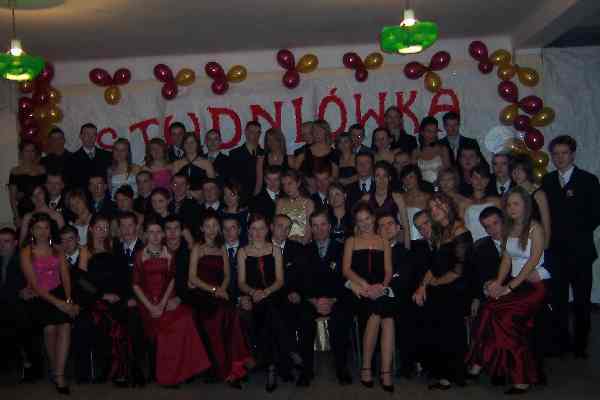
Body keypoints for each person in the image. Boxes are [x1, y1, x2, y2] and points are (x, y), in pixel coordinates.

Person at [466, 187, 550, 394]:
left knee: (505, 321)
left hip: (533, 286)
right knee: (488, 310)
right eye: (509, 204)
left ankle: (521, 379)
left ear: (526, 205)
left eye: (516, 204)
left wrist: (510, 287)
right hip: (516, 283)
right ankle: (481, 362)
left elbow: (532, 262)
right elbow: (506, 259)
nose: (512, 208)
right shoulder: (510, 228)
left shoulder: (535, 228)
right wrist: (498, 283)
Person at [133, 218, 211, 387]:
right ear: (145, 235)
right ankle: (167, 373)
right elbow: (136, 285)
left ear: (162, 234)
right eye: (151, 232)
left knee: (185, 318)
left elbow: (172, 280)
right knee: (170, 324)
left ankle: (184, 371)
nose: (155, 236)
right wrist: (152, 307)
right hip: (147, 301)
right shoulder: (140, 255)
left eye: (158, 232)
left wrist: (163, 304)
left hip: (166, 298)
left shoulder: (169, 253)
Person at [541, 135, 600, 358]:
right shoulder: (548, 181)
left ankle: (581, 344)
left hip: (580, 252)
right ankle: (561, 342)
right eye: (555, 154)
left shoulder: (588, 180)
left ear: (573, 154)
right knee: (558, 300)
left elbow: (596, 214)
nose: (560, 158)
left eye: (564, 153)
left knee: (581, 300)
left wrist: (573, 232)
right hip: (555, 253)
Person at [412, 193, 473, 390]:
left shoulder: (460, 230)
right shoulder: (440, 231)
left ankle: (452, 373)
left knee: (443, 313)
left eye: (438, 206)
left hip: (459, 286)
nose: (435, 211)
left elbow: (459, 271)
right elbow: (434, 266)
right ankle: (441, 370)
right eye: (432, 208)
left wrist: (436, 283)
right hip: (443, 285)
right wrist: (423, 286)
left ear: (448, 206)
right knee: (425, 310)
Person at [188, 212, 253, 387]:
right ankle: (224, 368)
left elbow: (227, 275)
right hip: (202, 294)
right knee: (218, 318)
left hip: (220, 293)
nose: (211, 230)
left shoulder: (222, 247)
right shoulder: (197, 248)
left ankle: (237, 366)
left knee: (232, 315)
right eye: (207, 226)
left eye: (214, 226)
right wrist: (214, 290)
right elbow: (192, 277)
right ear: (202, 228)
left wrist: (222, 289)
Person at [20, 213, 79, 394]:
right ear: (32, 230)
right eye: (38, 228)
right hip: (40, 296)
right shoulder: (26, 252)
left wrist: (68, 300)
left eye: (46, 228)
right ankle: (56, 370)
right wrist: (60, 304)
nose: (42, 232)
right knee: (50, 328)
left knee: (65, 326)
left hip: (59, 292)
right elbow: (35, 285)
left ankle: (59, 375)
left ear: (50, 230)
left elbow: (65, 277)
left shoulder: (57, 250)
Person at [72, 215, 131, 386]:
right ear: (91, 229)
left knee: (122, 315)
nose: (102, 232)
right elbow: (82, 281)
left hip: (115, 296)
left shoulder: (114, 246)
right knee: (105, 320)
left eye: (106, 228)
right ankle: (108, 370)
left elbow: (123, 275)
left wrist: (120, 295)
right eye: (99, 228)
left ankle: (120, 370)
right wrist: (102, 296)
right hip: (94, 298)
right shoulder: (85, 250)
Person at [297, 210, 353, 387]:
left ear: (329, 226)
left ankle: (341, 368)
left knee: (340, 320)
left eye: (322, 224)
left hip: (336, 299)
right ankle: (306, 370)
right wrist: (314, 301)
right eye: (315, 225)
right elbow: (302, 281)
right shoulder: (304, 251)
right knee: (304, 319)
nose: (319, 229)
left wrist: (332, 300)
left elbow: (346, 279)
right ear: (311, 228)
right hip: (312, 300)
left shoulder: (342, 248)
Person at [237, 213, 293, 392]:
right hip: (255, 296)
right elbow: (241, 282)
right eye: (254, 229)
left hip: (274, 293)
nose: (258, 232)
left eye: (261, 228)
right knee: (268, 312)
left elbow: (280, 280)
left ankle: (272, 366)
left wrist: (266, 292)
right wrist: (254, 292)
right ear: (248, 231)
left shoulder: (275, 250)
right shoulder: (243, 252)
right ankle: (284, 357)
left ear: (267, 229)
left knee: (270, 310)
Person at [343, 202, 395, 392]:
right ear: (356, 222)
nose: (364, 223)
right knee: (379, 313)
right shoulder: (351, 241)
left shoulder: (384, 241)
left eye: (367, 218)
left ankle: (383, 370)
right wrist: (365, 285)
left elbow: (388, 270)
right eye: (360, 220)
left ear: (373, 218)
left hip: (380, 290)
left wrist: (382, 287)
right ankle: (369, 367)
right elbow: (346, 270)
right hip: (360, 291)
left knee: (387, 317)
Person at [0, 227, 43, 383]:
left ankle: (30, 365)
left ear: (15, 243)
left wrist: (27, 290)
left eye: (6, 242)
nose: (1, 245)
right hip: (6, 304)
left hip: (20, 306)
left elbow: (34, 285)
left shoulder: (24, 260)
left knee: (21, 315)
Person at [465, 206, 504, 320]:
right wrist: (476, 298)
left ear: (504, 221)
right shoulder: (480, 248)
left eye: (495, 223)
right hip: (492, 298)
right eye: (487, 227)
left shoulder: (521, 240)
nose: (493, 229)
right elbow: (477, 277)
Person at [361, 161, 411, 249]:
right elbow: (360, 225)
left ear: (389, 178)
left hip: (393, 239)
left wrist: (407, 250)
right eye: (378, 176)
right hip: (373, 242)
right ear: (373, 178)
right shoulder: (366, 199)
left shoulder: (397, 197)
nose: (381, 179)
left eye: (385, 176)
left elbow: (406, 227)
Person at [511, 155, 551, 248]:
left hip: (535, 240)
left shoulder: (538, 194)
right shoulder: (511, 193)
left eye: (520, 169)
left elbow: (546, 222)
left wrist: (545, 245)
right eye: (513, 170)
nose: (516, 173)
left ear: (528, 171)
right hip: (515, 240)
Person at [8, 140, 46, 226]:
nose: (30, 154)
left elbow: (46, 191)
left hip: (41, 208)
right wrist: (16, 217)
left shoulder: (42, 169)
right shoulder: (15, 171)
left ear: (35, 153)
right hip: (23, 209)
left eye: (32, 151)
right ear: (21, 153)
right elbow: (12, 198)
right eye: (27, 151)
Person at [67, 123, 112, 190]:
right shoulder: (72, 159)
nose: (90, 137)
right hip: (82, 195)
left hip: (103, 195)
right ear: (81, 136)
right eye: (87, 134)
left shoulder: (107, 156)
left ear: (96, 137)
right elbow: (71, 183)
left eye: (93, 135)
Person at [276, 169, 315, 244]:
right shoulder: (280, 202)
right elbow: (276, 228)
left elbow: (309, 230)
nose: (286, 188)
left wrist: (302, 243)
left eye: (290, 183)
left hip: (303, 244)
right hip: (283, 244)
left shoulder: (308, 203)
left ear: (298, 183)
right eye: (284, 184)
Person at [464, 165, 501, 242]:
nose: (479, 181)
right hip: (475, 243)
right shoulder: (464, 203)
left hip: (496, 240)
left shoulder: (496, 201)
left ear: (487, 181)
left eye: (483, 178)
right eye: (475, 178)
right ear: (470, 180)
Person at [296, 119, 338, 184]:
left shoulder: (333, 152)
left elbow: (335, 176)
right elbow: (295, 172)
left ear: (326, 132)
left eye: (320, 130)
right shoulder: (305, 151)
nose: (317, 133)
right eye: (315, 131)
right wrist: (307, 180)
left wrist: (323, 183)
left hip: (327, 186)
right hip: (308, 186)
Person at [229, 121, 265, 197]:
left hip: (261, 196)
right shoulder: (234, 154)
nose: (255, 135)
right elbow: (231, 178)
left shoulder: (265, 154)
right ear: (246, 132)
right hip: (241, 196)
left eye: (258, 132)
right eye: (252, 132)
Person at [415, 116, 451, 185]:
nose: (432, 134)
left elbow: (448, 172)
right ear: (422, 132)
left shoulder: (443, 149)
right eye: (429, 131)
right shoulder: (416, 152)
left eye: (434, 131)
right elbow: (413, 174)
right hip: (422, 187)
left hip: (441, 186)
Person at [400, 165, 432, 241]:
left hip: (423, 239)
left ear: (418, 178)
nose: (407, 181)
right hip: (403, 240)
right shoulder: (399, 198)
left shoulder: (427, 198)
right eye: (405, 178)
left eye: (411, 177)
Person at [255, 128, 289, 195]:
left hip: (284, 195)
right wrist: (254, 198)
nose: (272, 142)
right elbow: (259, 183)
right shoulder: (261, 159)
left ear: (280, 141)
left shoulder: (289, 159)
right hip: (266, 195)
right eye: (269, 140)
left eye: (275, 140)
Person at [169, 174, 202, 239]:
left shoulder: (195, 206)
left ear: (187, 186)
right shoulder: (167, 204)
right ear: (171, 186)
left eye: (182, 184)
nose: (178, 187)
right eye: (175, 184)